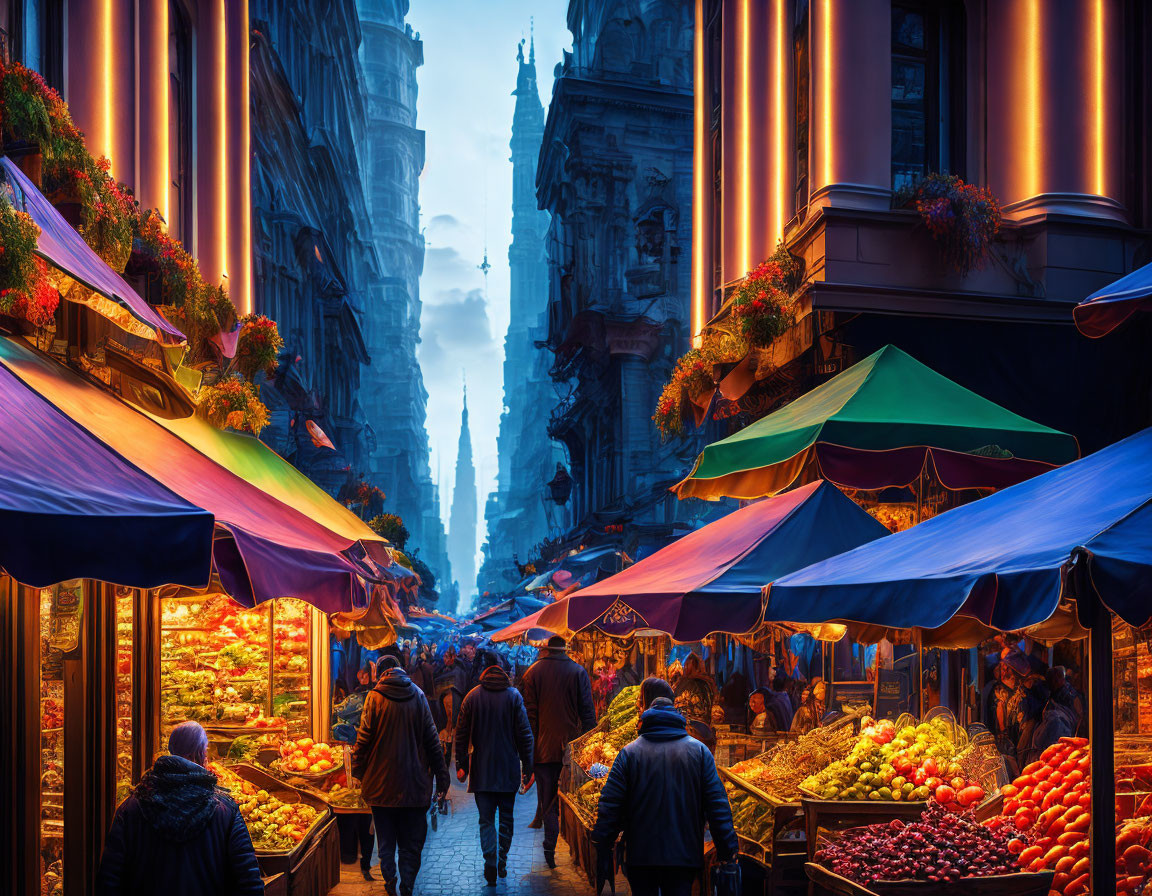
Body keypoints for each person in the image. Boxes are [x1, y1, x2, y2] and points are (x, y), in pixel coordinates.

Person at [95, 721, 263, 896]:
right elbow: (249, 883)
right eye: (206, 752)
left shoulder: (131, 808)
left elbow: (109, 881)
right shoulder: (225, 810)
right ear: (200, 754)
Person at [592, 697, 738, 896]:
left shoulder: (629, 753)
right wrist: (727, 849)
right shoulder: (699, 752)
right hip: (684, 856)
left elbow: (610, 805)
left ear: (645, 721)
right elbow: (717, 806)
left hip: (641, 857)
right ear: (678, 720)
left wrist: (603, 843)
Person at [352, 655, 450, 896]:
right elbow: (432, 739)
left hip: (381, 787)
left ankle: (390, 884)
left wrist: (358, 772)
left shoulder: (374, 697)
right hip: (414, 786)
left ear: (382, 674)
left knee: (386, 843)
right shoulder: (418, 695)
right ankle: (407, 885)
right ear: (401, 670)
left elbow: (362, 741)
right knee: (412, 844)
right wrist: (442, 776)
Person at [454, 652, 535, 886]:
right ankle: (502, 859)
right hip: (508, 769)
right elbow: (525, 736)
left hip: (482, 770)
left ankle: (490, 859)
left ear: (483, 672)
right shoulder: (513, 697)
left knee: (485, 820)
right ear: (502, 671)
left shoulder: (472, 697)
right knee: (507, 819)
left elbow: (461, 734)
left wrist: (461, 764)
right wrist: (528, 768)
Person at [521, 635, 596, 867]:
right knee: (573, 802)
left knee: (548, 803)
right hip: (571, 752)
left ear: (546, 650)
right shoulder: (579, 672)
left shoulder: (532, 673)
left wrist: (528, 758)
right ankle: (575, 853)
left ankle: (549, 850)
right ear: (565, 650)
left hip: (542, 753)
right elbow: (589, 716)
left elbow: (529, 720)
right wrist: (587, 748)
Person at [673, 652, 718, 725]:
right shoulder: (680, 683)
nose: (686, 668)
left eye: (689, 665)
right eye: (686, 665)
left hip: (700, 725)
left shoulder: (704, 683)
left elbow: (709, 704)